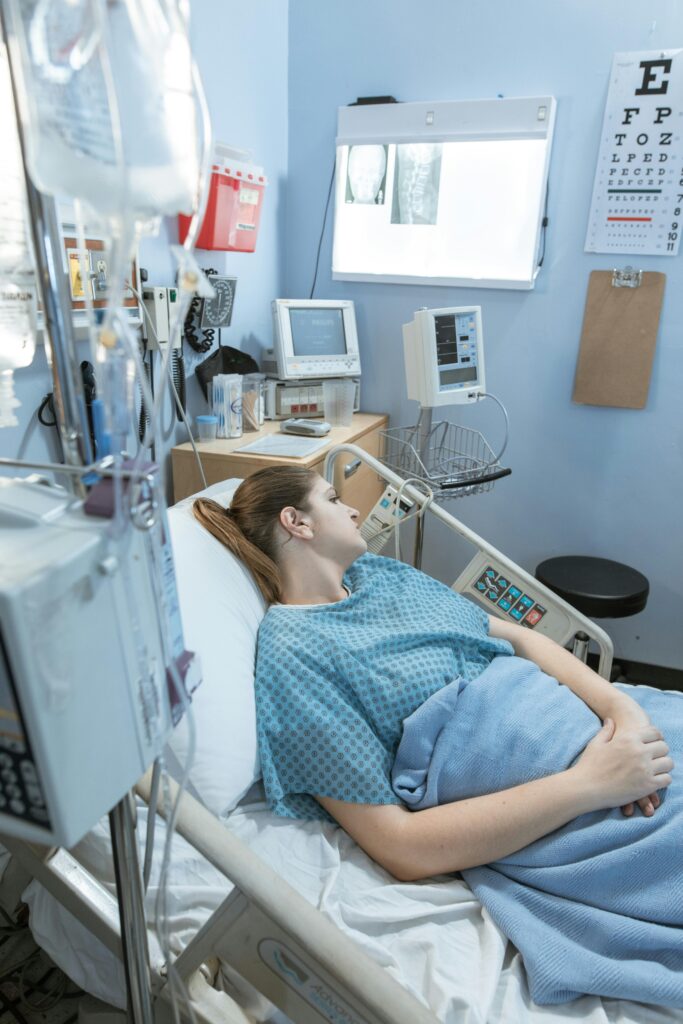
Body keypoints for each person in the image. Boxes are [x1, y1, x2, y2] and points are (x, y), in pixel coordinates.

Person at [193, 465, 682, 1008]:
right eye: (333, 498)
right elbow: (399, 846)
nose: (353, 509)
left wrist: (624, 709)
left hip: (602, 729)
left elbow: (516, 638)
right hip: (573, 789)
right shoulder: (295, 655)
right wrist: (592, 783)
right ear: (296, 522)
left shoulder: (382, 575)